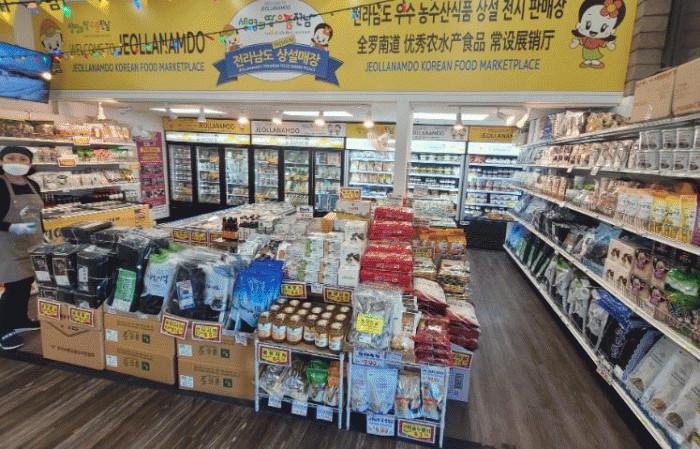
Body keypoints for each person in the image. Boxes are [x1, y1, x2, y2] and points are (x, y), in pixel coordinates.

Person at [0, 146, 44, 351]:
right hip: (8, 244)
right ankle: (3, 329)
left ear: (30, 163)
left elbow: (38, 215)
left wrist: (42, 234)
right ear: (2, 162)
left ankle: (20, 320)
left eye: (23, 158)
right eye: (11, 158)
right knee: (14, 286)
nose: (17, 162)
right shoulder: (1, 185)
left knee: (26, 283)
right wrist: (12, 227)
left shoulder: (33, 184)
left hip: (32, 242)